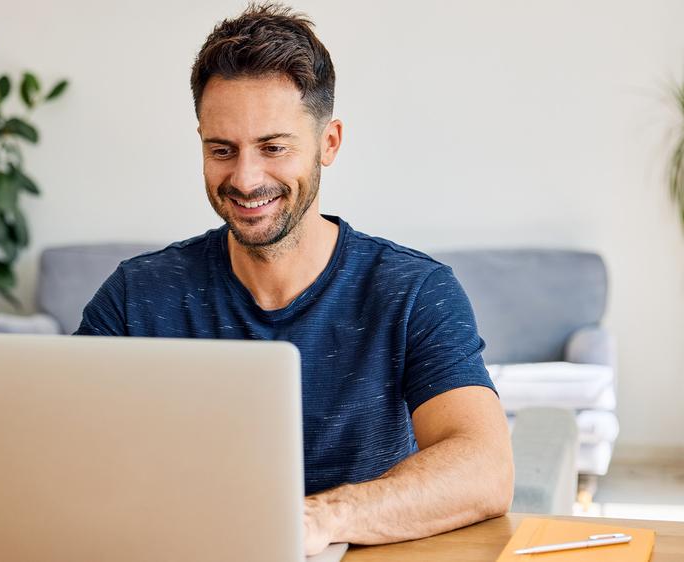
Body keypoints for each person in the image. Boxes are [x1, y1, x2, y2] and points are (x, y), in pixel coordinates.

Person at [74, 3, 513, 555]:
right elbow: (62, 450)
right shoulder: (135, 296)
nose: (245, 178)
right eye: (222, 150)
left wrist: (319, 519)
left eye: (274, 147)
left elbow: (485, 467)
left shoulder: (413, 291)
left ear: (329, 143)